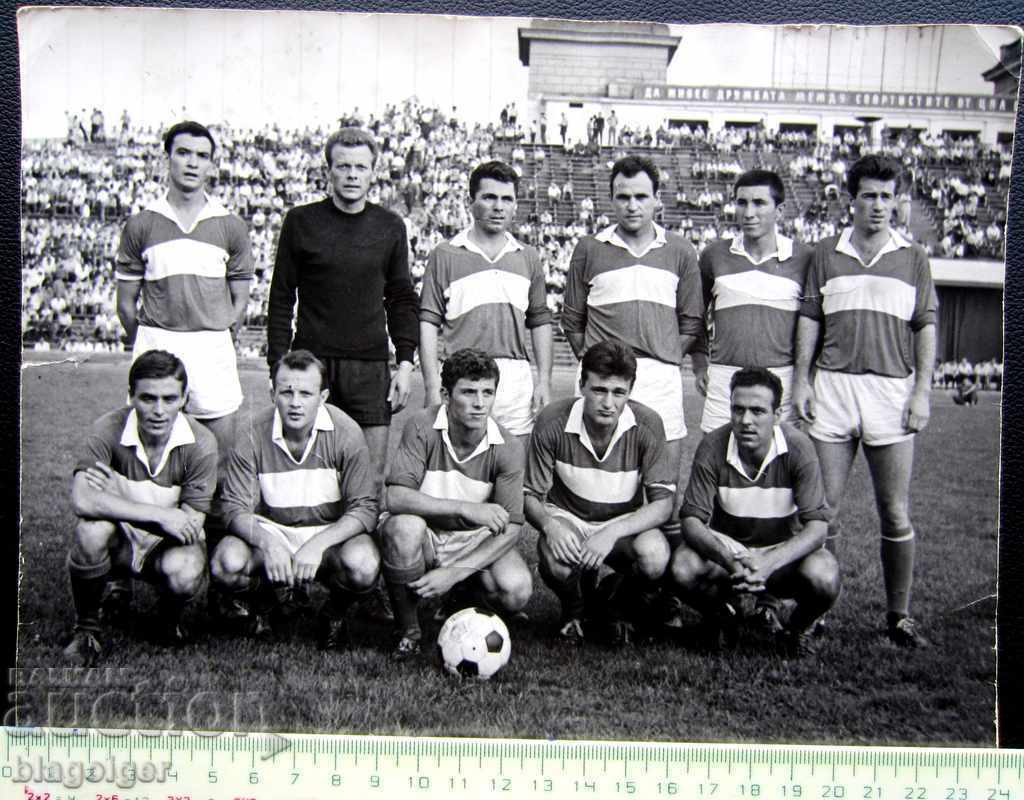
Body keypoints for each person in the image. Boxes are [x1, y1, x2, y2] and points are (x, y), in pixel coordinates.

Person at [792, 154, 937, 648]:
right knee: (823, 511)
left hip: (890, 392)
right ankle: (818, 611)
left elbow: (925, 326)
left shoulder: (913, 257)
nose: (879, 206)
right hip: (833, 386)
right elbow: (810, 319)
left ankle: (899, 616)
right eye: (869, 196)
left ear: (899, 200)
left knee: (893, 510)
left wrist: (921, 390)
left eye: (887, 196)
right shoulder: (824, 255)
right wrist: (801, 380)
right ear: (850, 200)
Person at [267, 126, 419, 494]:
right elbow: (281, 296)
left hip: (369, 367)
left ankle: (362, 550)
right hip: (312, 363)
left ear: (373, 172)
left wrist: (405, 363)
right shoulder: (301, 222)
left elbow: (400, 297)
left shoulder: (389, 226)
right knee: (310, 471)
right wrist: (277, 363)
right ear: (329, 171)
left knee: (370, 475)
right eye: (344, 166)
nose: (352, 175)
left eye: (361, 167)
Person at [561, 154, 703, 525]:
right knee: (600, 484)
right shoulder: (589, 248)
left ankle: (658, 579)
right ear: (611, 199)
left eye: (641, 196)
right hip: (606, 381)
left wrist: (666, 355)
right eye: (623, 197)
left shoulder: (680, 251)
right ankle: (593, 567)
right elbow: (572, 319)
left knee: (663, 485)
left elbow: (692, 322)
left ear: (658, 199)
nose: (632, 205)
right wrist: (596, 361)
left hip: (659, 377)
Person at [211, 350, 380, 650]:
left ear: (323, 396)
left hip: (327, 534)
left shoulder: (347, 432)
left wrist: (318, 544)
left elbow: (365, 508)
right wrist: (269, 543)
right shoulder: (251, 432)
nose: (296, 402)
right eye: (287, 392)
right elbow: (235, 509)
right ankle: (264, 599)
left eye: (306, 393)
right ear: (272, 391)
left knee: (364, 564)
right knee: (227, 563)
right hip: (272, 531)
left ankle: (334, 613)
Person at [115, 121, 252, 483]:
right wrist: (150, 341)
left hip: (211, 345)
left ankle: (214, 538)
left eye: (202, 156)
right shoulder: (141, 224)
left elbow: (240, 300)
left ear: (212, 166)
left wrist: (218, 331)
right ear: (167, 159)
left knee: (221, 455)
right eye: (184, 153)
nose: (193, 163)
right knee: (153, 452)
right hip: (158, 342)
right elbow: (126, 305)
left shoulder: (230, 225)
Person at [671, 367, 839, 657]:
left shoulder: (799, 447)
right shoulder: (713, 446)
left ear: (777, 415)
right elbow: (691, 522)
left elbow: (817, 528)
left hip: (781, 554)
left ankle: (797, 630)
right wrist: (731, 560)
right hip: (731, 553)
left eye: (758, 411)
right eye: (738, 410)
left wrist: (769, 563)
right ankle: (723, 618)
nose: (745, 420)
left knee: (825, 574)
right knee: (682, 567)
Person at [63, 351, 217, 665]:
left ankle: (168, 620)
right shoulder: (108, 427)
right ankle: (86, 629)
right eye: (148, 398)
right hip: (119, 538)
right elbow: (81, 499)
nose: (159, 410)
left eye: (169, 398)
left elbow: (189, 525)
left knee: (187, 568)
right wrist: (160, 514)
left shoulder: (201, 442)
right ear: (130, 395)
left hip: (166, 546)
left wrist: (107, 502)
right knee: (90, 531)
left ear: (184, 398)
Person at [380, 349, 532, 661]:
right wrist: (464, 508)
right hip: (426, 533)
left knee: (516, 590)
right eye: (469, 392)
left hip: (470, 538)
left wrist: (456, 572)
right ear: (447, 395)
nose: (480, 403)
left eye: (487, 392)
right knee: (404, 527)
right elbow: (395, 497)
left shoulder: (509, 446)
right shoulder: (422, 425)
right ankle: (408, 630)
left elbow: (512, 528)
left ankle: (461, 594)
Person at [525, 340, 675, 645]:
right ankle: (574, 611)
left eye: (618, 392)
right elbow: (529, 495)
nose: (608, 402)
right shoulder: (552, 420)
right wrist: (550, 525)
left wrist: (612, 532)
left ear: (630, 391)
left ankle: (615, 599)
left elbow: (663, 505)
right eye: (599, 390)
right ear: (581, 385)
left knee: (655, 555)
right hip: (569, 518)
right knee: (555, 558)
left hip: (621, 524)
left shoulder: (647, 424)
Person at [419, 160, 553, 440]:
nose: (498, 206)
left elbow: (540, 323)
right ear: (471, 202)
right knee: (459, 474)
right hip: (462, 377)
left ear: (516, 205)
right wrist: (432, 386)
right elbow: (428, 322)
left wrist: (544, 381)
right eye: (489, 197)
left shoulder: (527, 257)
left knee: (514, 473)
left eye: (507, 199)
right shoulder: (445, 254)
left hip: (515, 380)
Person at [693, 170, 814, 432]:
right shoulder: (713, 255)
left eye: (759, 203)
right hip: (725, 378)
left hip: (781, 378)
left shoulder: (804, 258)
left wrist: (806, 378)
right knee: (718, 464)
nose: (749, 213)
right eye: (742, 202)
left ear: (779, 211)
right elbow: (695, 314)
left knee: (778, 467)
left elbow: (816, 323)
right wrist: (700, 362)